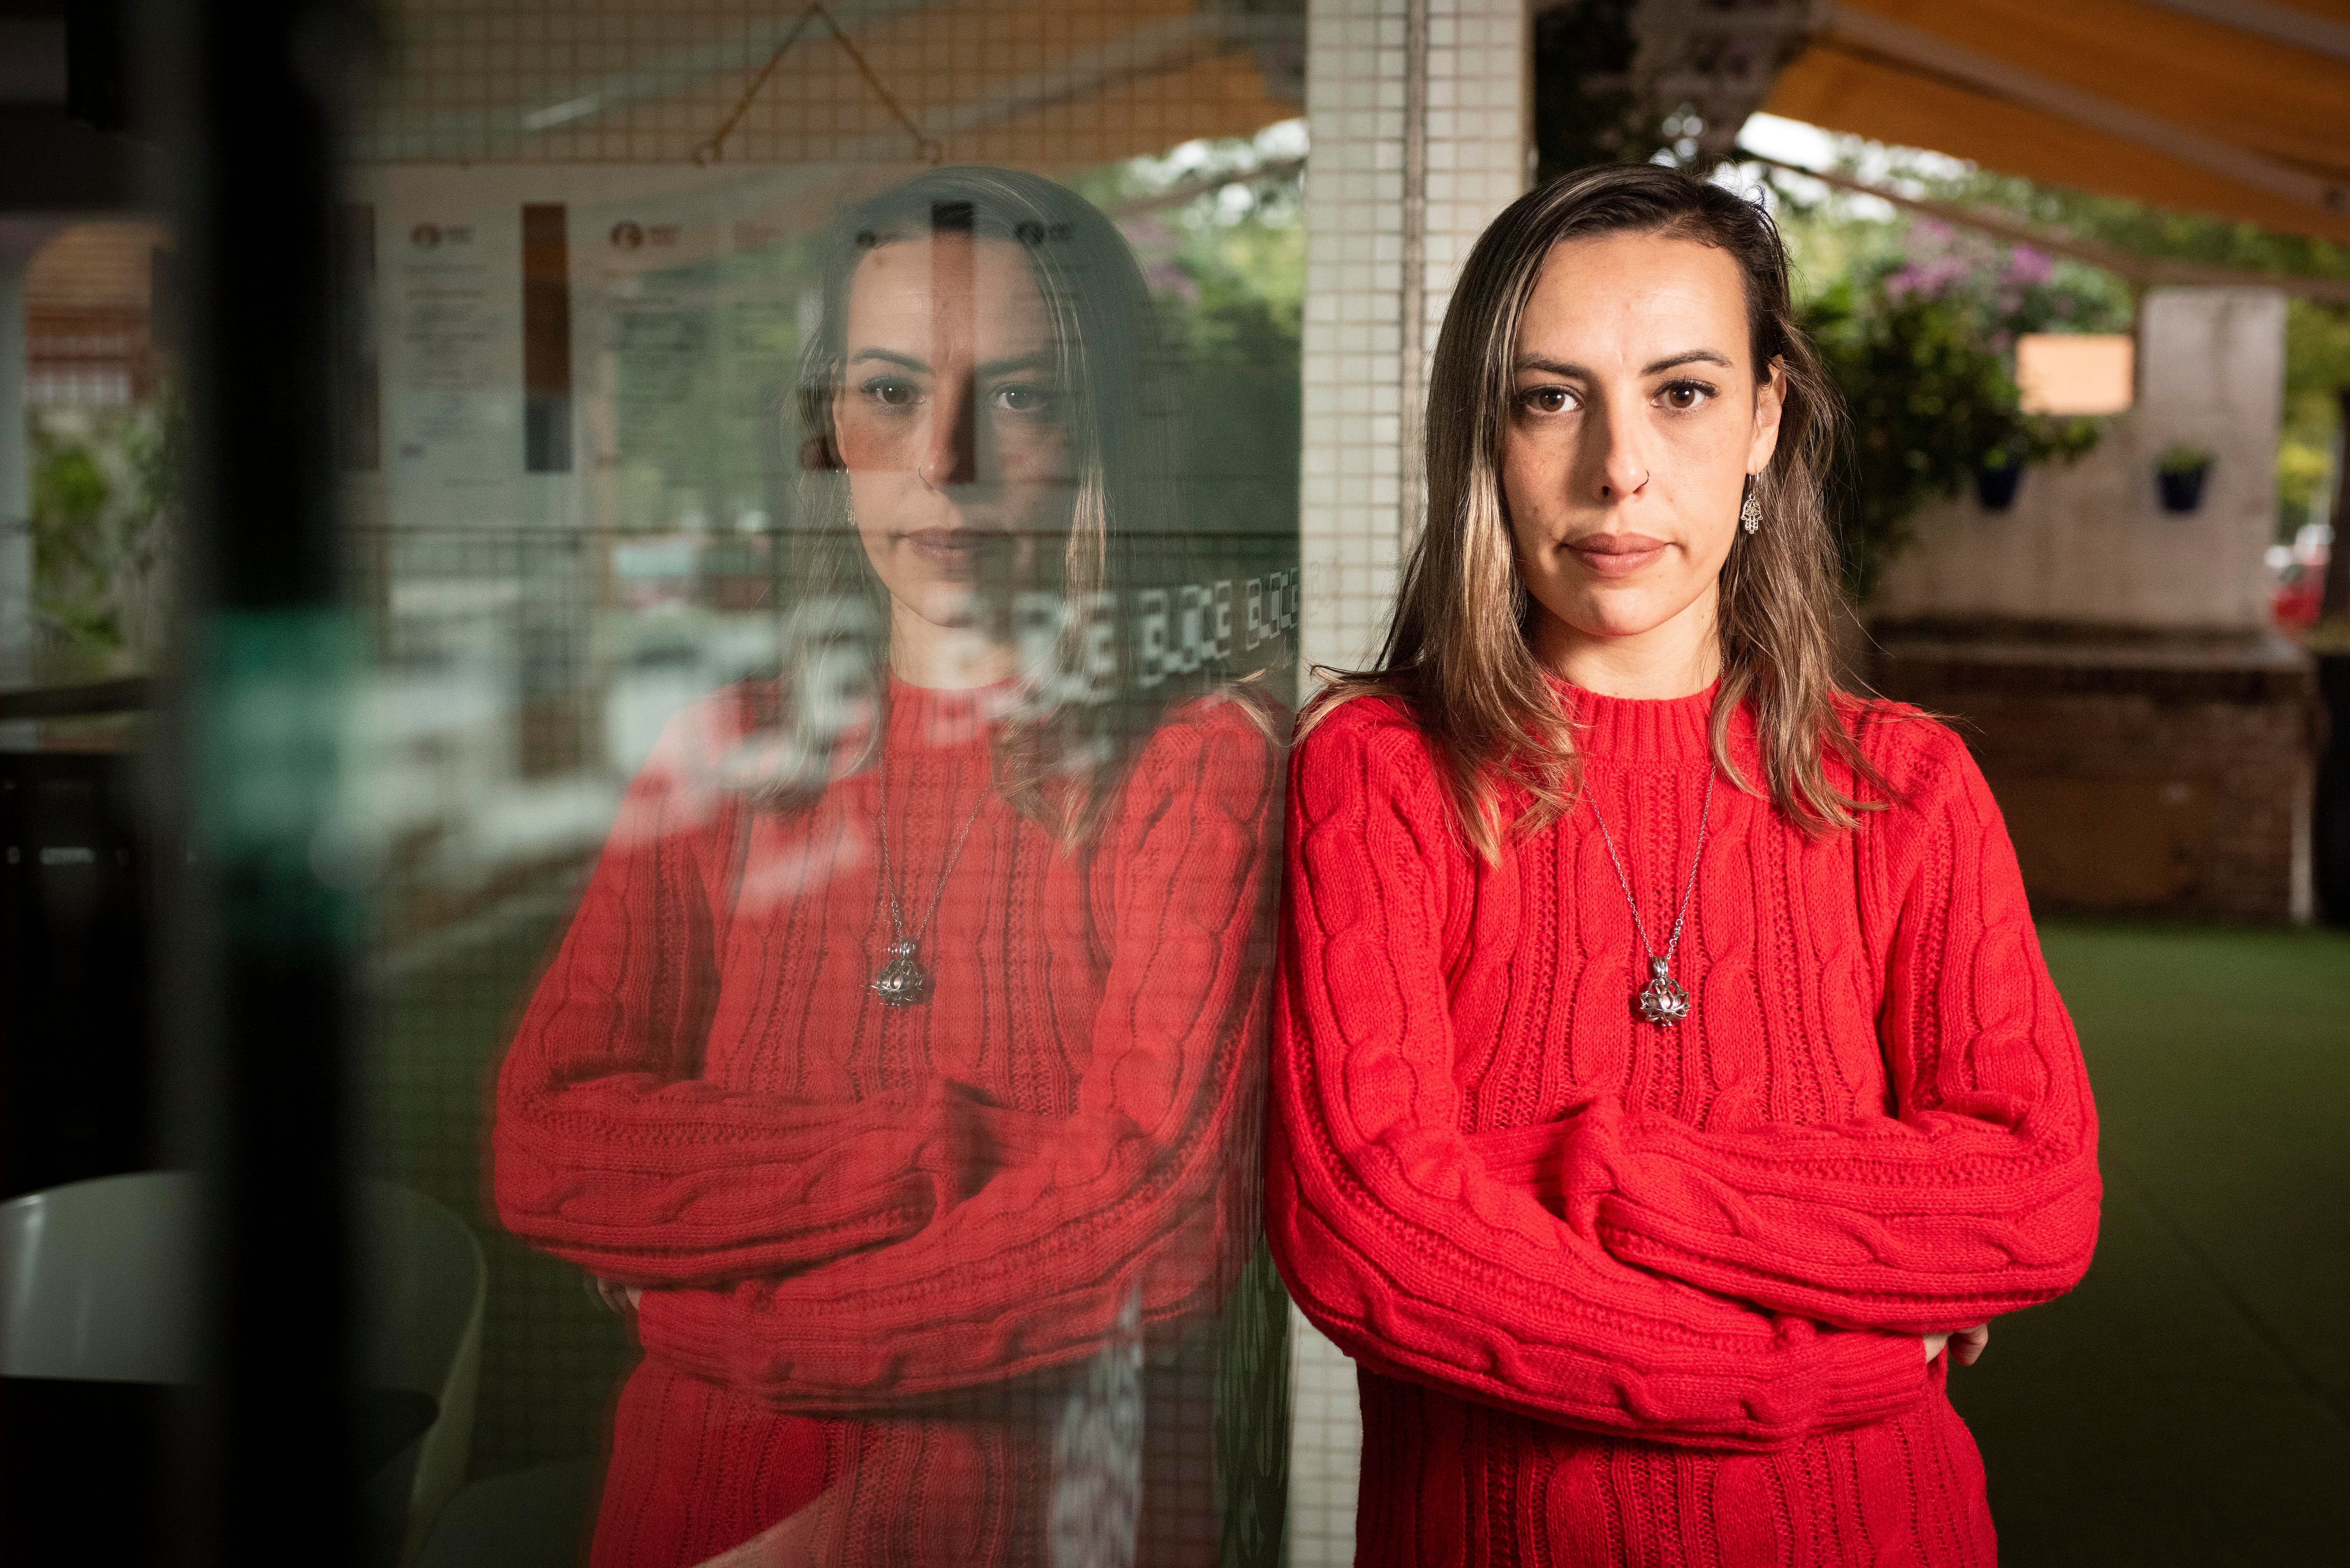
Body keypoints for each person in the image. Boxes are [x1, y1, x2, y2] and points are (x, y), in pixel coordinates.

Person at [1265, 163, 2100, 1566]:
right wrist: (1822, 1355)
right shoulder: (1379, 773)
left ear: (1766, 418)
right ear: (1486, 428)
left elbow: (2031, 1196)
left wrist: (1581, 1172)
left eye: (1684, 392)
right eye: (1551, 396)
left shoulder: (1907, 785)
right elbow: (1372, 1228)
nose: (1620, 469)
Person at [493, 167, 1288, 1568]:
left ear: (1100, 423)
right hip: (685, 1509)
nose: (950, 458)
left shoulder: (1194, 768)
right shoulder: (724, 754)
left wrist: (724, 1313)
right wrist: (957, 1157)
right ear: (830, 426)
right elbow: (552, 1142)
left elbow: (1153, 1227)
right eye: (889, 391)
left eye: (1024, 397)